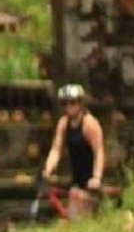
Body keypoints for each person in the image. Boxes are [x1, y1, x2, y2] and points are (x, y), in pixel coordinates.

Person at [43, 83, 105, 218]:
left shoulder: (90, 124)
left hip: (90, 182)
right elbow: (56, 149)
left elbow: (99, 152)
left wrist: (97, 177)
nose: (69, 107)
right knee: (71, 216)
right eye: (65, 104)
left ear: (80, 104)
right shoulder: (64, 123)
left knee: (80, 219)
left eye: (72, 103)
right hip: (76, 179)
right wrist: (49, 168)